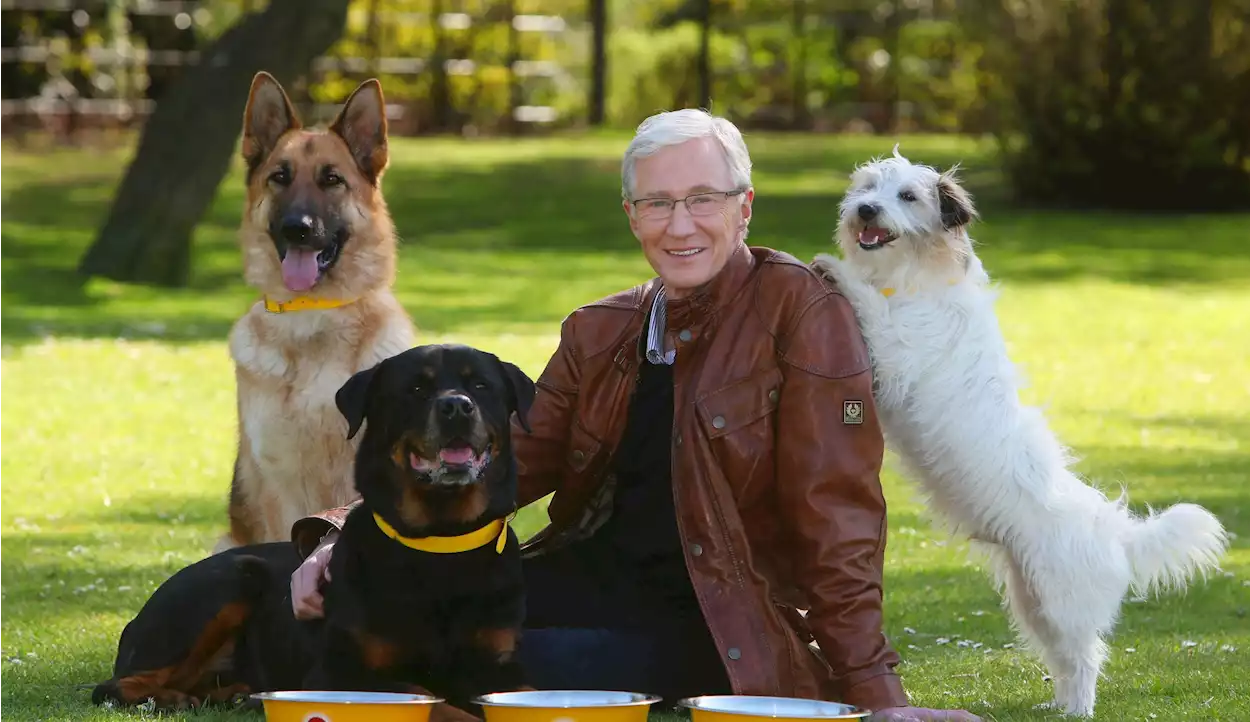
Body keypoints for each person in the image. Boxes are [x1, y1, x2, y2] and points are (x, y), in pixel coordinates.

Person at [287, 109, 981, 722]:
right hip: (585, 578)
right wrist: (340, 539)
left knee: (493, 662)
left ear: (744, 208)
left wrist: (876, 693)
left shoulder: (800, 314)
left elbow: (838, 518)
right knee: (362, 605)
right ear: (632, 216)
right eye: (657, 203)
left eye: (702, 199)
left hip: (716, 620)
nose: (680, 225)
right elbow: (508, 456)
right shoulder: (603, 327)